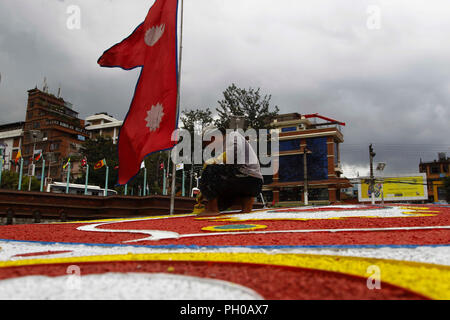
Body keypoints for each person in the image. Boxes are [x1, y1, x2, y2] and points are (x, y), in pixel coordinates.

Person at [197, 127, 263, 216]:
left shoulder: (232, 136)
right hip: (249, 181)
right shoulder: (224, 147)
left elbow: (234, 151)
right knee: (220, 204)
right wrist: (205, 190)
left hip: (249, 179)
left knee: (209, 169)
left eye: (207, 145)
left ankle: (213, 210)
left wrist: (207, 181)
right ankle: (246, 206)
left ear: (212, 138)